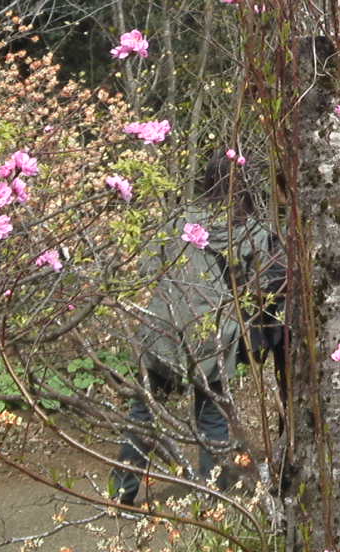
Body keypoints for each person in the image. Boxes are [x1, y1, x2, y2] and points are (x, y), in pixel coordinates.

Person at [112, 157, 248, 506]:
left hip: (164, 326)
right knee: (212, 418)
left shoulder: (178, 220)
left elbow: (147, 268)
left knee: (144, 412)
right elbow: (253, 285)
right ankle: (211, 502)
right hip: (214, 335)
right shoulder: (245, 230)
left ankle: (121, 493)